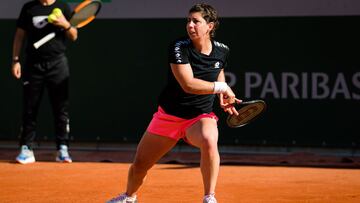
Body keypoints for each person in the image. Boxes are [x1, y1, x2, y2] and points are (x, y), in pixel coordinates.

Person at [106, 3, 241, 203]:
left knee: (209, 140)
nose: (190, 25)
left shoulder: (222, 50)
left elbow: (218, 71)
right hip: (168, 116)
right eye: (188, 21)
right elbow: (188, 84)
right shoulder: (179, 47)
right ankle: (129, 197)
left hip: (199, 116)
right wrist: (221, 88)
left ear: (210, 26)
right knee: (140, 165)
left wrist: (222, 90)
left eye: (196, 21)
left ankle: (209, 197)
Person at [11, 0, 78, 164]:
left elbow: (74, 35)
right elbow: (20, 35)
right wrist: (15, 60)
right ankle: (26, 148)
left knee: (61, 109)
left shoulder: (63, 7)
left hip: (58, 64)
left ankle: (62, 148)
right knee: (29, 108)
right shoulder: (29, 8)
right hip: (33, 65)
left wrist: (64, 24)